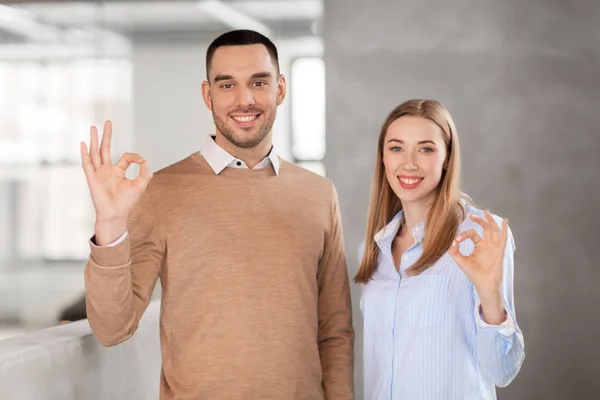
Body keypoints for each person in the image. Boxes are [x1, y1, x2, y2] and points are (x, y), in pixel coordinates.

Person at [80, 29, 354, 400]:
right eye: (227, 86)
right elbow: (113, 328)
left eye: (259, 82)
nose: (244, 100)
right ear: (208, 95)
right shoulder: (160, 192)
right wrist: (110, 224)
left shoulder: (319, 195)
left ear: (281, 89)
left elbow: (334, 331)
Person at [355, 99, 524, 399]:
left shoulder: (480, 236)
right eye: (396, 148)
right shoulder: (373, 250)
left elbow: (502, 371)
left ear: (447, 157)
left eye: (426, 149)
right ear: (382, 157)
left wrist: (490, 296)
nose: (409, 163)